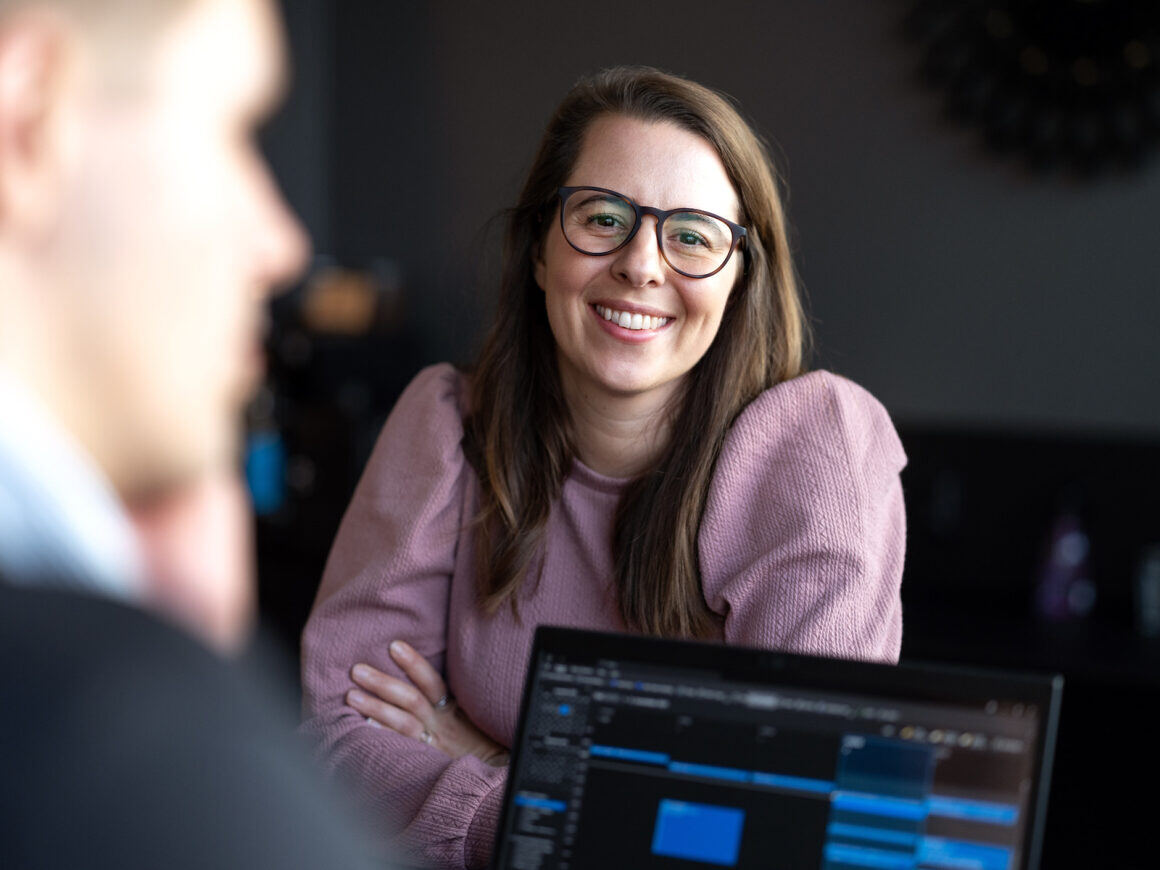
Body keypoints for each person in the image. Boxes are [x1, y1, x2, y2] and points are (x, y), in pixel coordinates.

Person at [301, 66, 907, 869]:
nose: (642, 265)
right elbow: (342, 742)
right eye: (603, 218)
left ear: (740, 279)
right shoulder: (446, 426)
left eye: (692, 235)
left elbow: (787, 829)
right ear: (541, 251)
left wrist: (490, 769)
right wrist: (557, 812)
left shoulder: (811, 450)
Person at [0, 1, 382, 866]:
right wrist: (191, 704)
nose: (281, 244)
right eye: (234, 129)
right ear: (27, 125)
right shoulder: (105, 738)